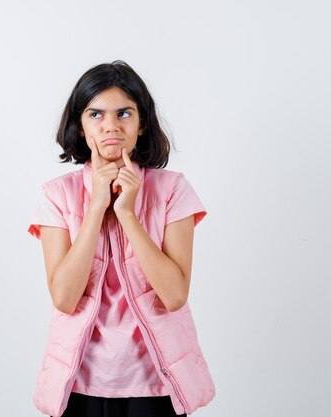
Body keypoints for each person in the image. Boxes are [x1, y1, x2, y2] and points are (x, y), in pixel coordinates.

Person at [27, 60, 215, 417]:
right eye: (95, 114)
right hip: (78, 384)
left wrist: (127, 214)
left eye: (124, 113)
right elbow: (65, 298)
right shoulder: (56, 195)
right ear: (80, 127)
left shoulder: (173, 190)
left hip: (157, 385)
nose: (110, 126)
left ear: (142, 123)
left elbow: (175, 295)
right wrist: (97, 206)